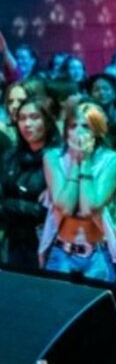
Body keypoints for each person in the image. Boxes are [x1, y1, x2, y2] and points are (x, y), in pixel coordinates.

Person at [41, 102, 116, 282]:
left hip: (98, 255)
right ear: (66, 131)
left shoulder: (112, 160)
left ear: (97, 130)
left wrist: (85, 161)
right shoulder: (53, 157)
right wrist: (73, 164)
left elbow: (89, 208)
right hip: (62, 252)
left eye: (85, 126)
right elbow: (64, 206)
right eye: (73, 126)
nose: (79, 132)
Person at [0, 96, 59, 268]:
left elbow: (47, 211)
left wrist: (9, 205)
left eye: (34, 118)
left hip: (47, 243)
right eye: (22, 118)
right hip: (13, 243)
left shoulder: (59, 158)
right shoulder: (10, 156)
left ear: (47, 121)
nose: (27, 124)